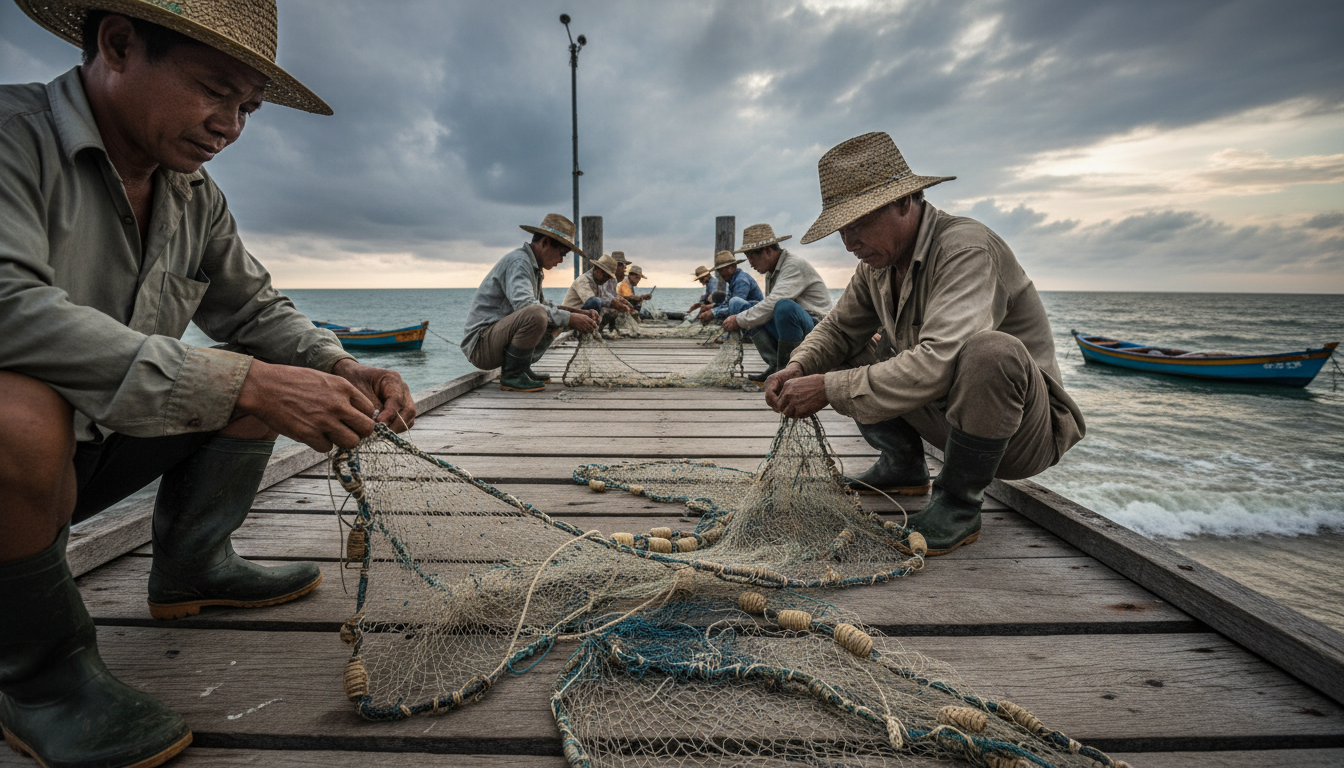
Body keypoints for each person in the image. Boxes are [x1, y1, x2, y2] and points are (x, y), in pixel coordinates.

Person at [0, 2, 417, 766]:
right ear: (119, 43)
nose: (229, 125)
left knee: (269, 373)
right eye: (213, 90)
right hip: (20, 467)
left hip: (85, 458)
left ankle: (193, 566)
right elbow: (9, 308)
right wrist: (245, 382)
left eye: (248, 106)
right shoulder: (10, 137)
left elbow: (253, 309)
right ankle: (41, 678)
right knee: (14, 414)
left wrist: (339, 366)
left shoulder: (194, 194)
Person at [765, 132, 1085, 557]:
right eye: (843, 228)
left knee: (991, 351)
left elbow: (939, 361)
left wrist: (828, 388)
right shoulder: (877, 265)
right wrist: (798, 367)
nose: (849, 242)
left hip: (1021, 435)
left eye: (860, 223)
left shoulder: (965, 248)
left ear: (905, 201)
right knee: (844, 349)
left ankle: (958, 504)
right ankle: (903, 466)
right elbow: (839, 329)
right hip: (950, 418)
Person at [461, 213, 598, 392]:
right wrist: (569, 318)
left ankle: (521, 369)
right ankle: (512, 374)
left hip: (493, 339)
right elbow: (528, 308)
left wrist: (577, 313)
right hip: (480, 346)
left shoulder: (533, 267)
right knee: (538, 314)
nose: (561, 260)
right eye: (562, 254)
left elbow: (544, 306)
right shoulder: (519, 262)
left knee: (554, 316)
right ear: (546, 243)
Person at [721, 224, 832, 382]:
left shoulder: (793, 265)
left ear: (767, 251)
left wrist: (739, 320)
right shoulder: (772, 271)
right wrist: (742, 316)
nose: (750, 263)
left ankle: (789, 371)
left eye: (752, 257)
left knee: (783, 306)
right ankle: (776, 364)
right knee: (742, 305)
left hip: (817, 330)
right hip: (798, 326)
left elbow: (774, 303)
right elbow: (765, 309)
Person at [564, 252, 634, 336]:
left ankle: (596, 331)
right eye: (606, 276)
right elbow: (591, 301)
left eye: (609, 278)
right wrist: (613, 304)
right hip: (570, 319)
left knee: (610, 309)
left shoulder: (599, 282)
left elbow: (609, 297)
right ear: (598, 270)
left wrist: (622, 303)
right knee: (595, 302)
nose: (607, 280)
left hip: (583, 317)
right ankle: (582, 333)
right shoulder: (583, 280)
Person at [697, 250, 761, 325]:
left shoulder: (741, 281)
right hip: (749, 315)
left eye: (721, 270)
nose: (720, 273)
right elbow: (726, 304)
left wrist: (713, 313)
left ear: (731, 268)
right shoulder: (734, 280)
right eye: (718, 270)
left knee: (734, 302)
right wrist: (712, 310)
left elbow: (736, 307)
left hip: (756, 317)